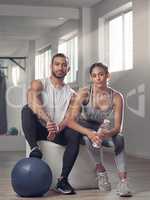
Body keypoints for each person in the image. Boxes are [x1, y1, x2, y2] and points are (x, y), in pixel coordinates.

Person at [67, 62, 132, 197]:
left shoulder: (117, 97)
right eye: (94, 75)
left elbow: (118, 127)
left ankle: (123, 182)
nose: (98, 78)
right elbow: (70, 121)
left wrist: (105, 133)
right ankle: (101, 171)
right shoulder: (84, 93)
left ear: (108, 75)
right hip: (84, 129)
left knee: (120, 138)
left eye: (101, 74)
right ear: (91, 78)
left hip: (102, 130)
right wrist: (90, 133)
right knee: (88, 138)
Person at [21, 53, 81, 195]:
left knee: (74, 132)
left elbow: (69, 118)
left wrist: (58, 127)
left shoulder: (72, 94)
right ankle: (35, 149)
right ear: (51, 66)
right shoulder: (40, 83)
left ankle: (63, 180)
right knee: (26, 109)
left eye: (64, 65)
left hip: (59, 132)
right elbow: (32, 102)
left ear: (68, 69)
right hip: (41, 128)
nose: (60, 67)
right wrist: (48, 122)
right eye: (57, 64)